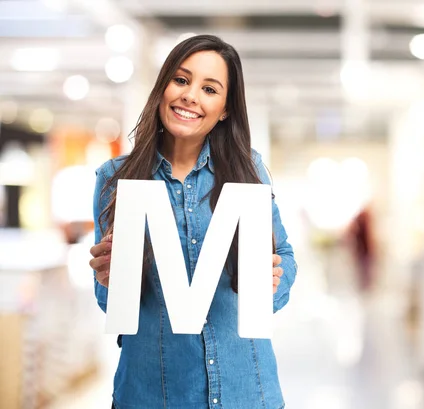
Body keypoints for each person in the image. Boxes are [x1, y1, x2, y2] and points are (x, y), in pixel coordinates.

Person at [88, 35, 297, 409]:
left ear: (225, 109)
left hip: (246, 392)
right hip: (153, 395)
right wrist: (108, 280)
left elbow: (283, 254)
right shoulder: (115, 179)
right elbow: (113, 304)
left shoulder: (248, 171)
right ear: (163, 87)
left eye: (210, 88)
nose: (190, 96)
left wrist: (271, 287)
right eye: (181, 80)